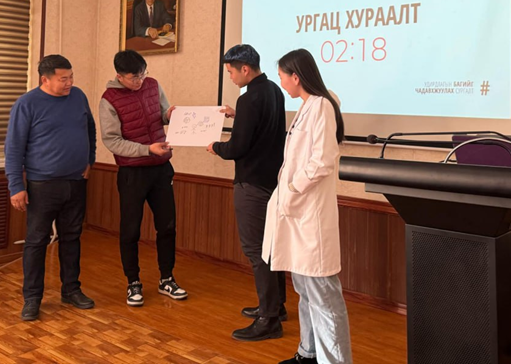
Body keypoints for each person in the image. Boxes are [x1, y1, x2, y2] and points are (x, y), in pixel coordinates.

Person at [263, 49, 353, 364]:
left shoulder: (322, 106)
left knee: (323, 294)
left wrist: (292, 188)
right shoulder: (307, 106)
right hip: (297, 213)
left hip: (309, 214)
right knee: (305, 288)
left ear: (296, 76)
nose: (281, 84)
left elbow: (322, 161)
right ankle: (308, 353)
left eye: (282, 77)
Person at [4, 54, 97, 322]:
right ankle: (32, 298)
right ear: (45, 79)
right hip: (42, 185)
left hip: (76, 182)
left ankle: (71, 290)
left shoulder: (78, 96)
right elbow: (13, 148)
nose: (69, 83)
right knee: (37, 242)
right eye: (63, 79)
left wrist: (89, 160)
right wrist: (16, 186)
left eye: (71, 77)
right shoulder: (26, 104)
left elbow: (90, 129)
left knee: (72, 237)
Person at [206, 44, 287, 342]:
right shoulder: (273, 91)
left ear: (245, 68)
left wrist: (216, 147)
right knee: (272, 248)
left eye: (230, 72)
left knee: (256, 251)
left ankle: (269, 320)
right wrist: (236, 114)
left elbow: (238, 147)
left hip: (251, 183)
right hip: (272, 181)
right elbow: (262, 130)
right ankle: (276, 306)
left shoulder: (249, 98)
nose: (230, 77)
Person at [99, 49, 187, 306]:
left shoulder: (152, 85)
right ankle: (133, 282)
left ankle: (167, 278)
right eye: (134, 77)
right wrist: (146, 149)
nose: (140, 81)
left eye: (142, 74)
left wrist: (169, 116)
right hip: (132, 173)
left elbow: (161, 114)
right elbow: (112, 141)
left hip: (161, 168)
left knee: (167, 226)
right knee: (130, 230)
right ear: (119, 76)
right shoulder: (109, 100)